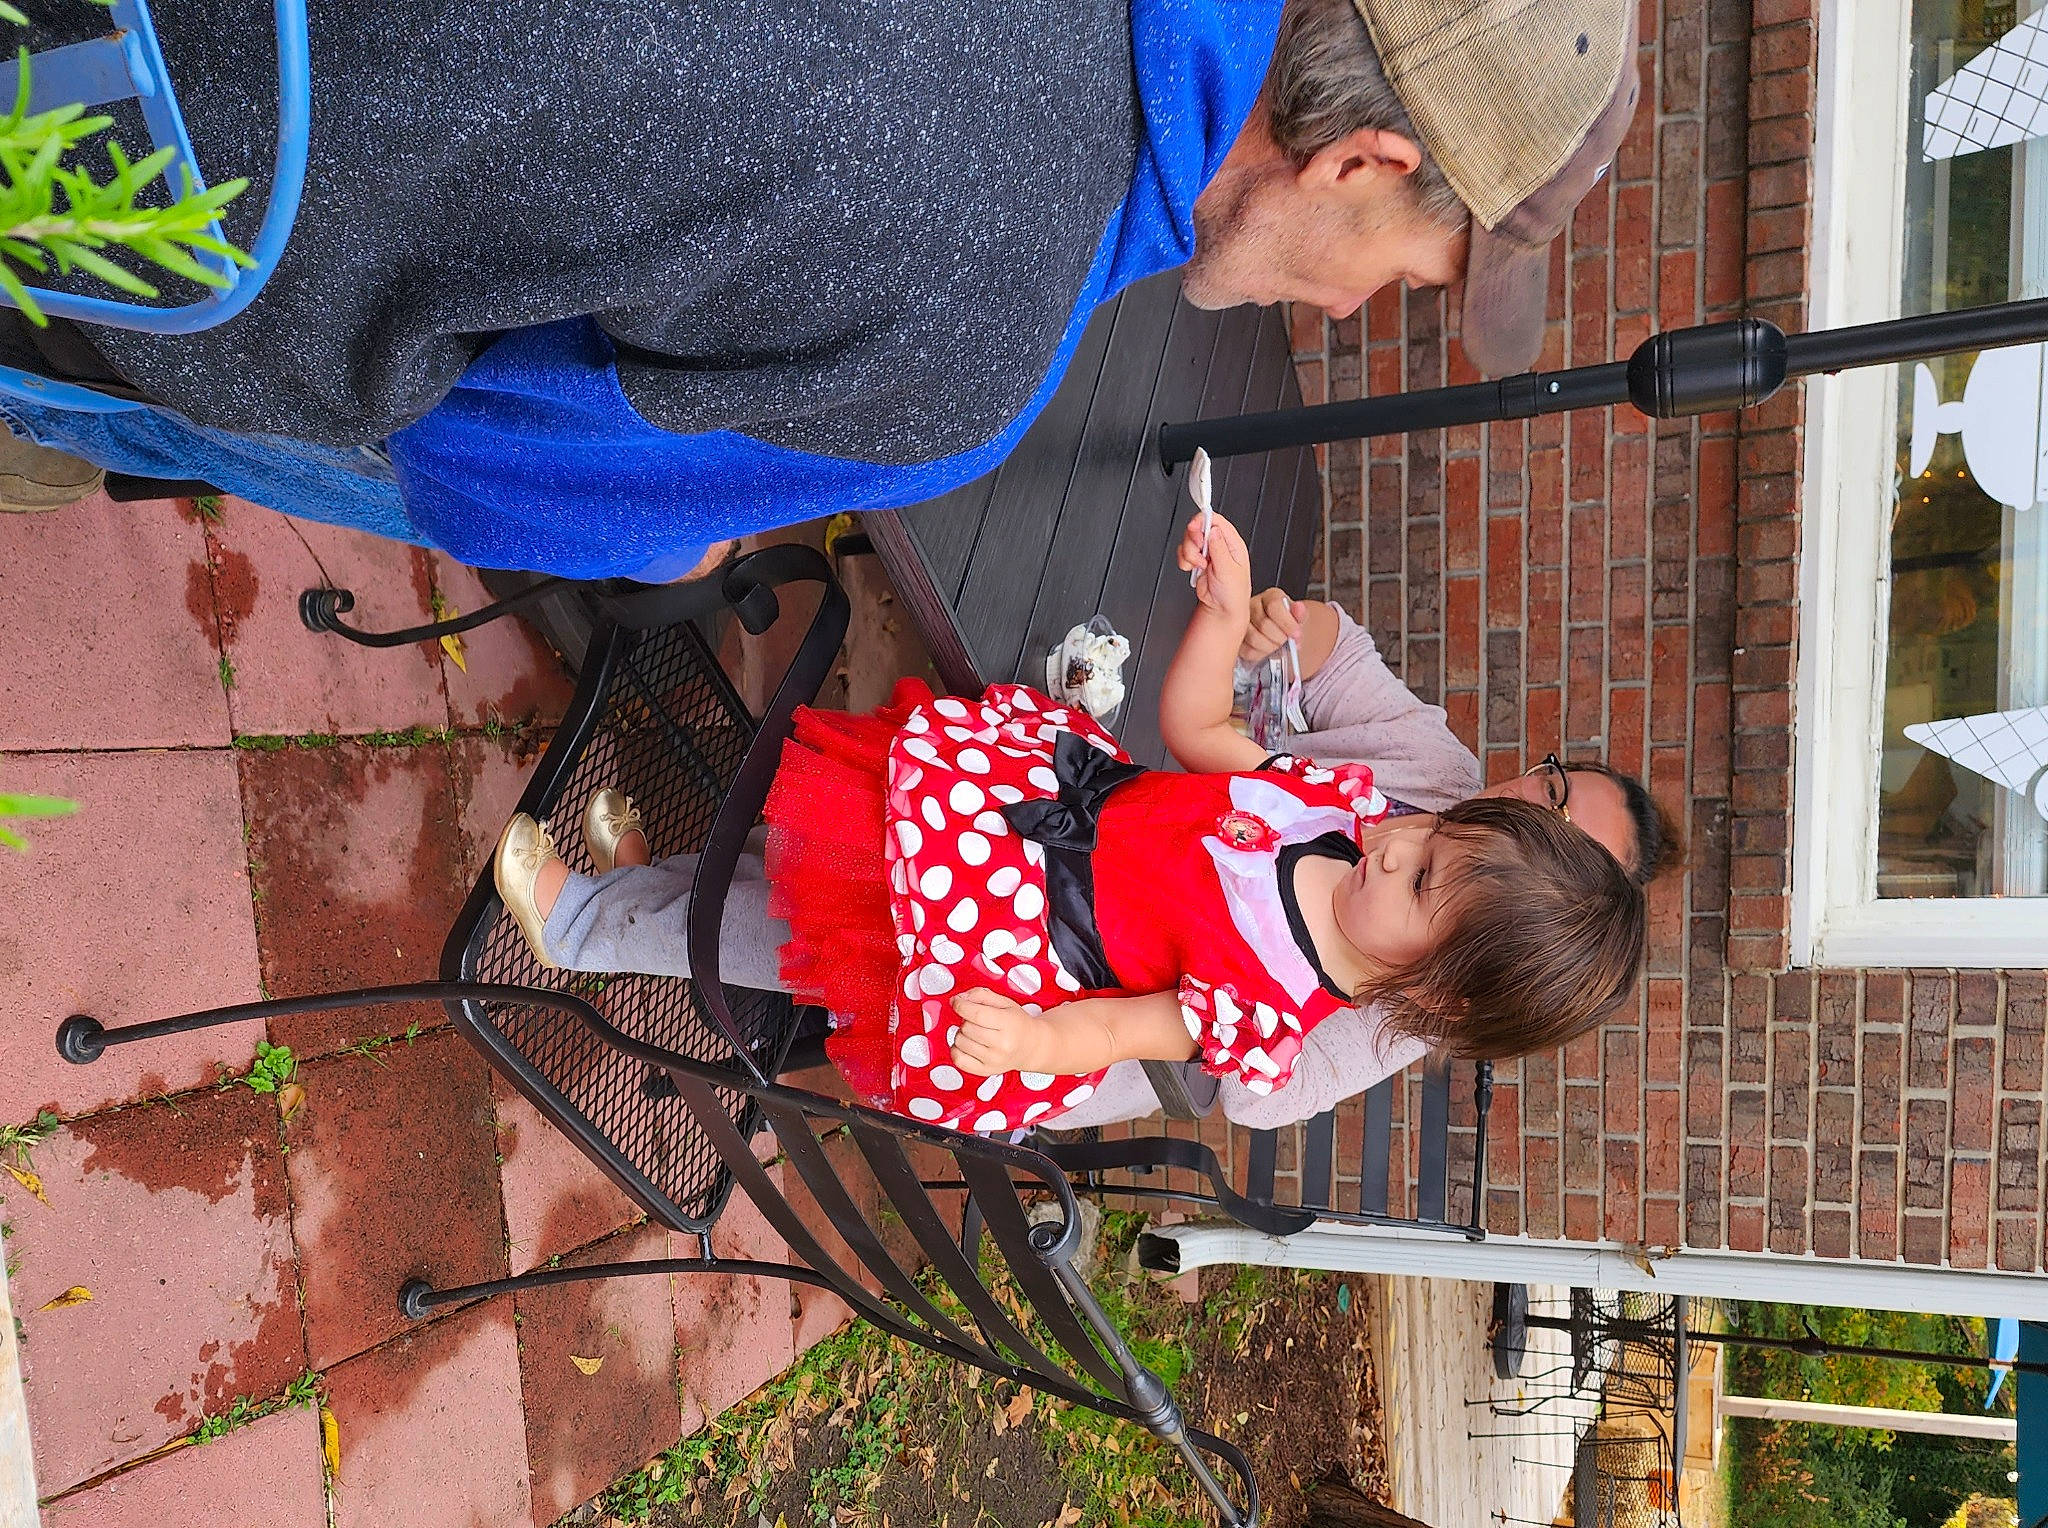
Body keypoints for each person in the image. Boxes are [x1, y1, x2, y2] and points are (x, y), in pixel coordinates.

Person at [0, 0, 1639, 564]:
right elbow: (486, 478)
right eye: (1406, 274)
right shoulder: (965, 363)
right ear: (1357, 165)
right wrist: (671, 523)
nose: (1343, 317)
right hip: (114, 184)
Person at [489, 511, 1646, 1134]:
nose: (1399, 839)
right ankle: (655, 887)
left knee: (787, 935)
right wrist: (1224, 613)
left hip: (1008, 947)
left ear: (1436, 995)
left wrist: (1033, 1045)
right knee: (809, 850)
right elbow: (1197, 730)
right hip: (1019, 811)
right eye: (1430, 840)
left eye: (1418, 882)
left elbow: (1127, 1035)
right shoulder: (1344, 811)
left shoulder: (1270, 1023)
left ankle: (584, 923)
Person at [1050, 579, 1683, 1131]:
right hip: (1073, 814)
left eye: (1562, 838)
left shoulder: (1403, 997)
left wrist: (1282, 980)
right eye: (1553, 789)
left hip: (1053, 988)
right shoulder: (1393, 790)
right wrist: (1278, 624)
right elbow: (1305, 668)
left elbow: (1260, 1093)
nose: (1389, 843)